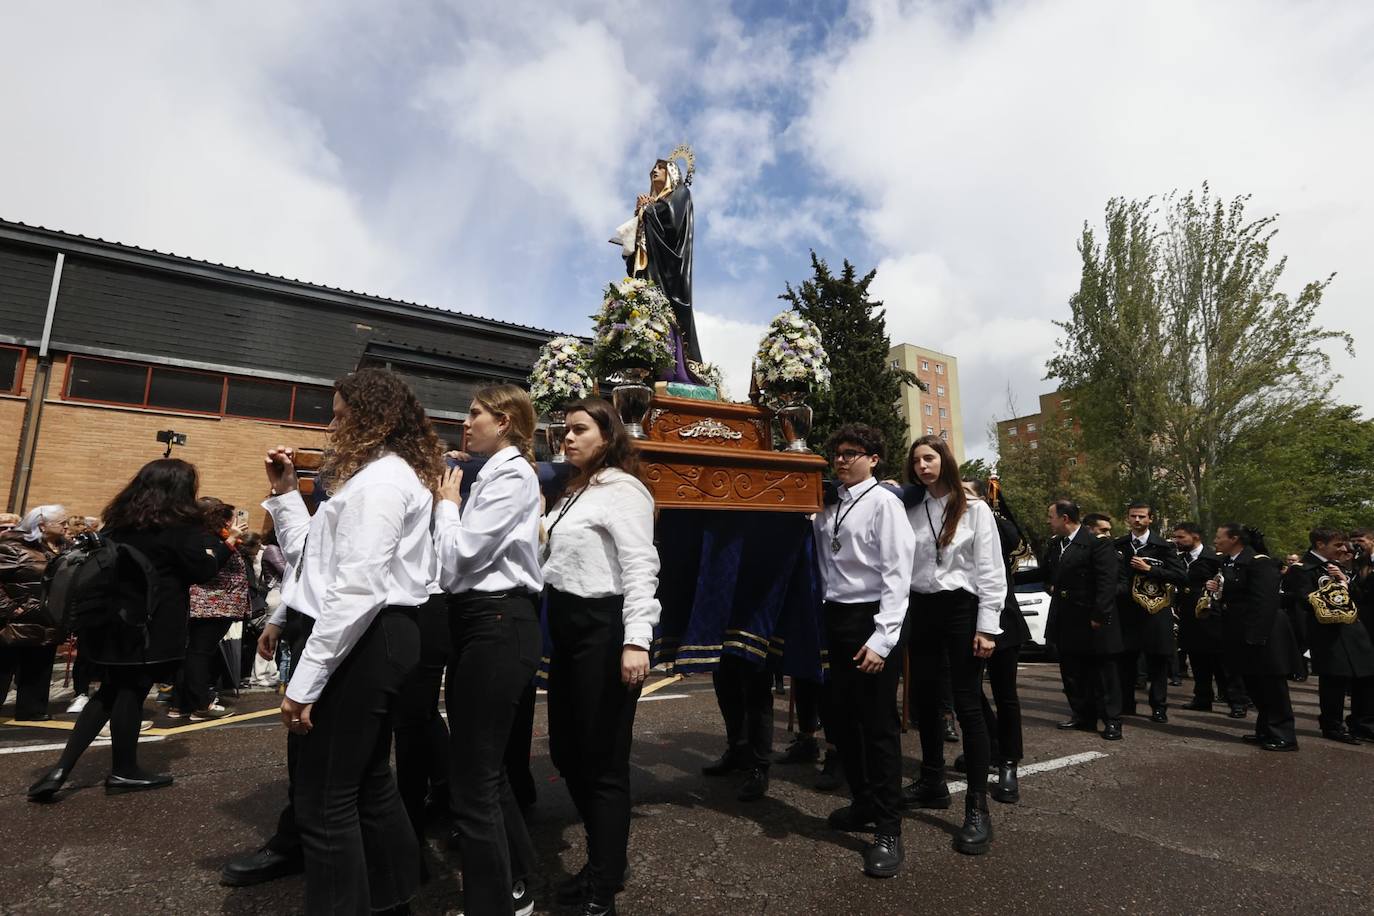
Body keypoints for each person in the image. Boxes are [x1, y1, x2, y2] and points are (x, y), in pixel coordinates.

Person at [258, 368, 439, 914]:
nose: (332, 425)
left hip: (365, 638)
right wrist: (286, 492)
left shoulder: (382, 482)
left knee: (323, 799)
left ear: (373, 418)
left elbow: (357, 588)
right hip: (370, 635)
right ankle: (394, 897)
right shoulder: (373, 477)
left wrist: (305, 684)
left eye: (340, 414)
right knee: (363, 782)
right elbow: (314, 556)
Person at [28, 461, 229, 802]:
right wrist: (224, 549)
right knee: (131, 693)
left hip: (111, 618)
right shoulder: (180, 525)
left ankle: (63, 767)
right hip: (153, 621)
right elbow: (201, 570)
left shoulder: (119, 519)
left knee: (109, 692)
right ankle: (123, 769)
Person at [542, 398, 661, 915]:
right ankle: (604, 861)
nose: (566, 438)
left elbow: (640, 565)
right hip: (566, 628)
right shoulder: (572, 491)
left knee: (604, 762)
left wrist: (637, 639)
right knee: (568, 753)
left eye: (578, 430)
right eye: (563, 431)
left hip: (604, 628)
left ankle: (603, 887)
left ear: (607, 436)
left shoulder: (624, 490)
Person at [434, 383, 543, 916]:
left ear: (504, 421)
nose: (465, 421)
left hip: (498, 621)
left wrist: (447, 507)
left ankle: (492, 903)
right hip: (485, 621)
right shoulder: (498, 474)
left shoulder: (512, 474)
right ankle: (518, 883)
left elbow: (460, 558)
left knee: (473, 776)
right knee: (486, 769)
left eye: (474, 413)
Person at [814, 423, 915, 879]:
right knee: (840, 719)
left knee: (877, 726)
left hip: (871, 619)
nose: (841, 460)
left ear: (874, 459)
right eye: (837, 453)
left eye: (852, 453)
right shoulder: (829, 505)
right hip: (834, 617)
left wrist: (883, 637)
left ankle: (889, 827)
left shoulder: (885, 504)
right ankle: (863, 802)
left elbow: (897, 574)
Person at [898, 437, 1004, 856]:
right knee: (924, 700)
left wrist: (988, 627)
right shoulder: (908, 509)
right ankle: (932, 781)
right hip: (921, 608)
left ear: (946, 461)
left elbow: (991, 571)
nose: (923, 466)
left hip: (962, 608)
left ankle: (977, 807)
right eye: (917, 460)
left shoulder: (975, 510)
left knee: (966, 703)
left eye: (930, 458)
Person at [967, 478, 1032, 804]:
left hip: (1002, 622)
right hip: (966, 622)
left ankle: (1009, 762)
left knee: (1006, 695)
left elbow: (1014, 539)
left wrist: (991, 508)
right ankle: (990, 746)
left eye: (968, 493)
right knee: (967, 692)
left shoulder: (997, 523)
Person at [1210, 524, 1299, 751]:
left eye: (1220, 536)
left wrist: (1256, 636)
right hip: (1240, 631)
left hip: (1263, 633)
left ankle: (1284, 735)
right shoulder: (1228, 561)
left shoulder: (1260, 562)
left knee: (1272, 685)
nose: (1216, 540)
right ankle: (1265, 729)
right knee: (1255, 684)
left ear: (1235, 539)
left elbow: (1265, 602)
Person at [1282, 529, 1374, 744]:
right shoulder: (1302, 569)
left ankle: (1362, 723)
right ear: (1320, 544)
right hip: (1327, 631)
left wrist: (1345, 582)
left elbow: (1360, 597)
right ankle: (1332, 725)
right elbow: (1304, 599)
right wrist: (1334, 592)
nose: (1344, 549)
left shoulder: (1339, 567)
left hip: (1353, 628)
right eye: (1338, 545)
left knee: (1366, 676)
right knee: (1334, 679)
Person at [1042, 499, 1123, 740]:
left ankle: (1112, 720)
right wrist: (1010, 577)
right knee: (1073, 671)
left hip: (1091, 618)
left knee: (1103, 673)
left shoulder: (1096, 545)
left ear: (1064, 519)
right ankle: (1083, 715)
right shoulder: (1057, 545)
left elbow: (1106, 583)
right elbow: (1047, 572)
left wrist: (1099, 614)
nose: (1048, 521)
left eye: (1051, 516)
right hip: (1066, 618)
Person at [169, 498, 248, 720]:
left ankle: (181, 703)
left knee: (194, 652)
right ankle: (201, 704)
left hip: (213, 605)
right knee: (200, 653)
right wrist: (231, 539)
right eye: (227, 517)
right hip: (211, 605)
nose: (231, 522)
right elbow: (209, 567)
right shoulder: (206, 538)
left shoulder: (209, 537)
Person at [1113, 503, 1185, 723]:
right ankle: (1126, 704)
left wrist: (1151, 569)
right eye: (1133, 516)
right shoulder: (1119, 545)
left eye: (1142, 516)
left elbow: (1181, 576)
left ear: (1150, 519)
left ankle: (1158, 707)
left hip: (1155, 611)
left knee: (1158, 662)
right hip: (1126, 612)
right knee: (1125, 661)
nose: (1137, 520)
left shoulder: (1163, 547)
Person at [1172, 523, 1247, 718]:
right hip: (1190, 616)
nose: (1176, 541)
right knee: (1197, 659)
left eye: (1181, 537)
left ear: (1195, 536)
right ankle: (1202, 698)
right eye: (1175, 537)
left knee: (1223, 663)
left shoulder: (1214, 559)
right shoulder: (1180, 559)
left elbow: (1228, 582)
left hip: (1213, 618)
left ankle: (1237, 701)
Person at [1, 504, 68, 721]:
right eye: (62, 523)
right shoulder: (13, 546)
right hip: (16, 620)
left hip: (47, 618)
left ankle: (31, 710)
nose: (67, 526)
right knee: (3, 667)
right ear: (42, 524)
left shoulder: (63, 548)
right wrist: (11, 608)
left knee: (39, 665)